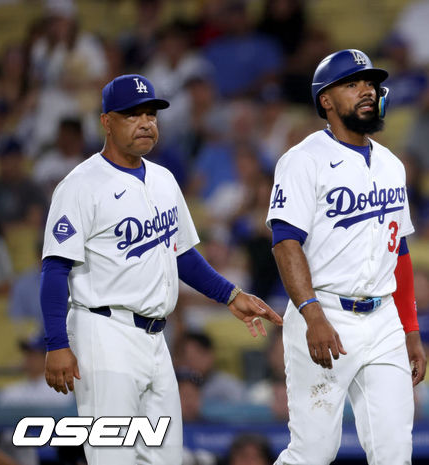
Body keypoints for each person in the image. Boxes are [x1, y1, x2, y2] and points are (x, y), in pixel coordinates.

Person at [40, 74, 283, 465]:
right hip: (104, 333)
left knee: (165, 458)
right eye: (132, 114)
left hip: (156, 339)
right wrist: (56, 344)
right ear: (106, 121)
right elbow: (54, 270)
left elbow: (182, 255)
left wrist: (231, 295)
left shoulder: (164, 179)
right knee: (113, 458)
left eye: (151, 113)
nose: (145, 122)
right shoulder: (80, 185)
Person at [266, 49, 426, 465]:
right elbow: (285, 243)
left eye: (370, 83)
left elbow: (400, 250)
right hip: (325, 312)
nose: (366, 91)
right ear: (326, 100)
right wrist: (312, 314)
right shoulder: (303, 160)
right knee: (314, 452)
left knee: (395, 452)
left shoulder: (392, 164)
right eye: (352, 84)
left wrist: (410, 329)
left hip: (385, 321)